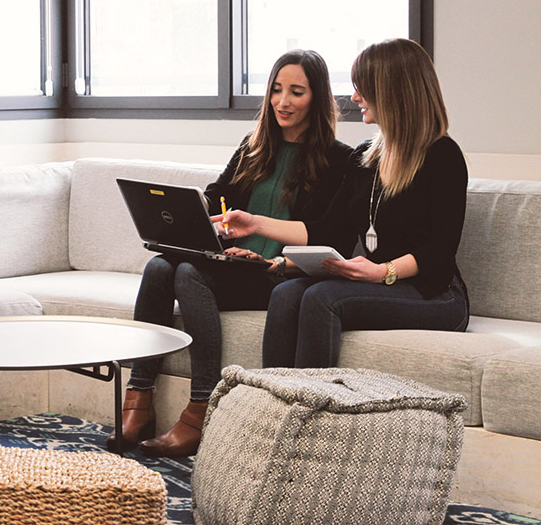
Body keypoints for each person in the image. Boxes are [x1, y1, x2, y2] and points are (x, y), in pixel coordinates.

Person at [114, 50, 352, 457]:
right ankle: (139, 397)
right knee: (158, 267)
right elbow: (217, 195)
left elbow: (328, 236)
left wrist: (263, 241)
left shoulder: (339, 159)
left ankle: (202, 406)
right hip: (234, 263)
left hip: (279, 273)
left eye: (296, 92)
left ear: (318, 96)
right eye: (276, 90)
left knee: (188, 273)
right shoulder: (255, 146)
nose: (283, 102)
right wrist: (193, 212)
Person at [220, 38, 469, 369]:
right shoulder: (364, 157)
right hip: (376, 280)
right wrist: (257, 226)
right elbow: (330, 231)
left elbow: (440, 250)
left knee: (322, 298)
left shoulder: (442, 155)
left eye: (363, 89)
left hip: (437, 293)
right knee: (286, 292)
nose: (354, 98)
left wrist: (382, 272)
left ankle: (312, 411)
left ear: (393, 91)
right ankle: (272, 404)